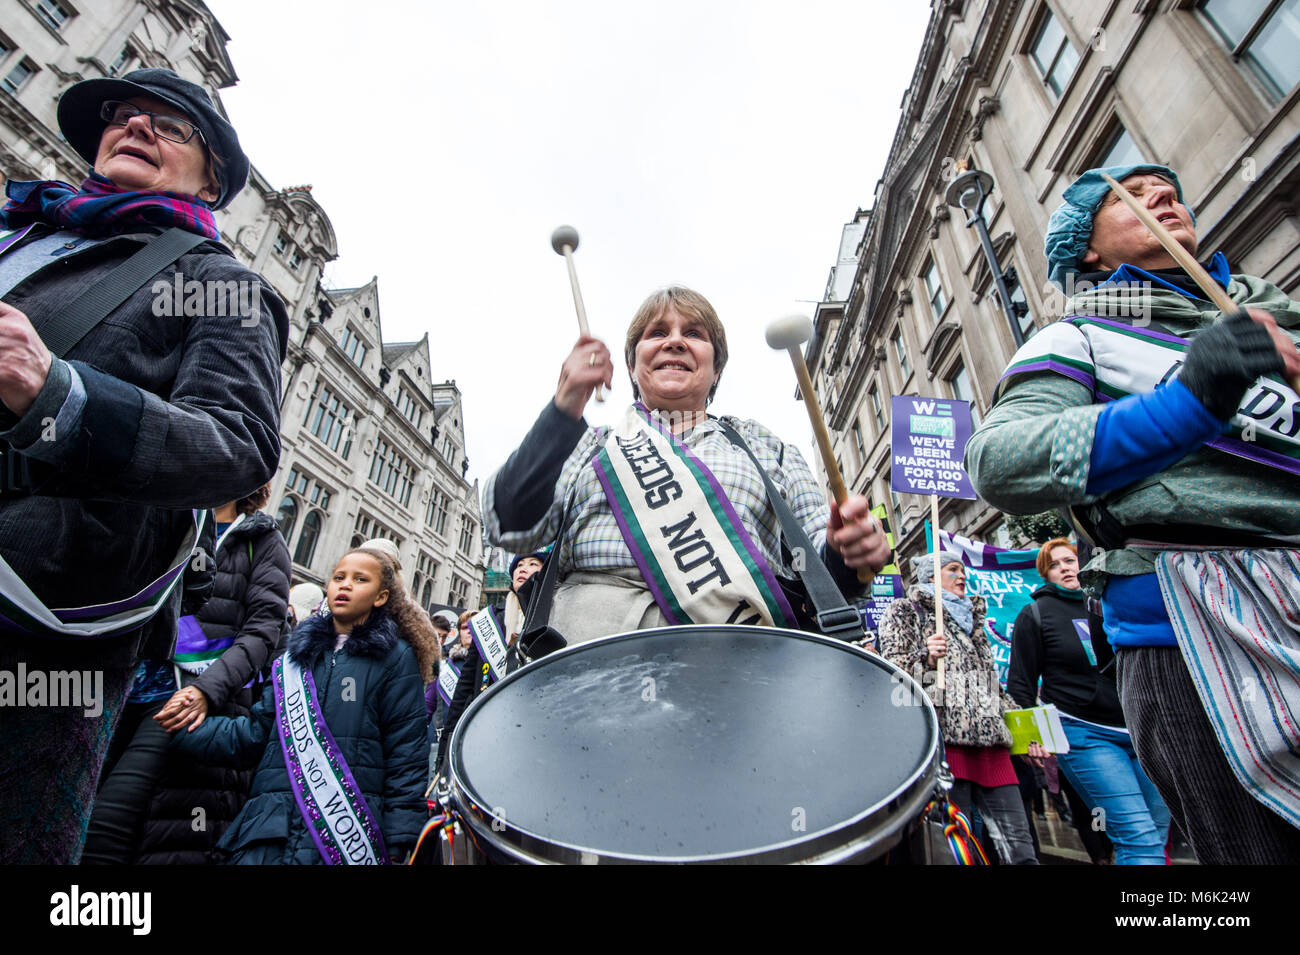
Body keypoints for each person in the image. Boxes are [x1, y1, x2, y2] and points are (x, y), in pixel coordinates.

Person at [967, 163, 1300, 864]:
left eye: (1169, 189)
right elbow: (998, 461)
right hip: (1195, 639)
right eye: (1131, 196)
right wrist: (1188, 401)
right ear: (1086, 248)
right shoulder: (1079, 337)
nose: (1162, 197)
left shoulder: (1274, 320)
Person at [0, 68, 287, 864]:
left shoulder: (217, 281)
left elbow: (236, 442)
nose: (135, 127)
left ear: (215, 176)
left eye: (169, 126)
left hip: (35, 618)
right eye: (124, 116)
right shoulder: (21, 231)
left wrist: (57, 392)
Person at [484, 286, 889, 646]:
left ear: (716, 370)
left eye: (694, 334)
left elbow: (823, 567)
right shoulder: (589, 445)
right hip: (589, 664)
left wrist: (848, 551)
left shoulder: (766, 448)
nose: (675, 341)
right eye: (657, 333)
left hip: (739, 671)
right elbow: (510, 524)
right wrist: (564, 407)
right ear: (632, 365)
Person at [165, 548, 429, 864]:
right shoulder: (292, 659)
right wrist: (182, 728)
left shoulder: (396, 659)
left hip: (348, 837)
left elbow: (406, 753)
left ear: (381, 597)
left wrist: (400, 837)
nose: (344, 585)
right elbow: (256, 732)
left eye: (360, 579)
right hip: (268, 831)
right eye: (339, 577)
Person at [82, 483, 292, 864]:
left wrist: (207, 691)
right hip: (120, 681)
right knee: (80, 800)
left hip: (183, 697)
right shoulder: (167, 509)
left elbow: (263, 630)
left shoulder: (261, 539)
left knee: (109, 820)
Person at [1008, 538, 1170, 865]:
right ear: (1045, 573)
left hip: (1142, 728)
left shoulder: (1106, 602)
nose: (1065, 568)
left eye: (1069, 560)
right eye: (1054, 565)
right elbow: (1021, 682)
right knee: (1138, 838)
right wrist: (1030, 740)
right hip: (1085, 735)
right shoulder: (1036, 614)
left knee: (1158, 829)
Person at [877, 552, 1038, 865]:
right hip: (946, 750)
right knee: (954, 850)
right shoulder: (906, 610)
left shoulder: (974, 618)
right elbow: (892, 675)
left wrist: (1030, 733)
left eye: (963, 570)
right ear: (931, 577)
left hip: (993, 748)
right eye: (953, 570)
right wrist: (926, 657)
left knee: (1020, 851)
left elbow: (992, 685)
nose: (962, 576)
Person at [434, 550, 548, 771]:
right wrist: (446, 747)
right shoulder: (490, 619)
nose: (523, 569)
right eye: (518, 565)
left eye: (533, 564)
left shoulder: (554, 613)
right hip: (487, 729)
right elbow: (465, 687)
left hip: (534, 732)